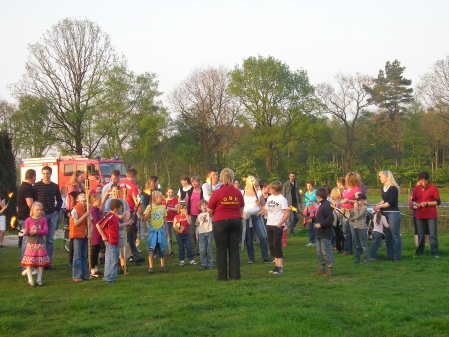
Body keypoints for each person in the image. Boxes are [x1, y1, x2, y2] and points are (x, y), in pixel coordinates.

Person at [207, 168, 244, 281]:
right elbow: (242, 208)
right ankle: (235, 275)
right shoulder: (237, 192)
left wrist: (215, 214)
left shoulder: (217, 193)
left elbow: (209, 209)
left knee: (221, 250)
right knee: (234, 249)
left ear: (221, 178)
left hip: (221, 221)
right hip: (236, 221)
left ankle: (222, 276)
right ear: (232, 178)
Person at [33, 166, 62, 269]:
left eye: (47, 173)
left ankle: (48, 262)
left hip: (51, 215)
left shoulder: (54, 186)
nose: (46, 175)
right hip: (40, 216)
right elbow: (33, 200)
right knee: (39, 239)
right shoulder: (36, 186)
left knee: (50, 239)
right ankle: (38, 261)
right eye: (44, 173)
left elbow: (59, 199)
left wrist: (56, 210)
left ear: (50, 174)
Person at [259, 180, 289, 275]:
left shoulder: (282, 199)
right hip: (269, 224)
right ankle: (276, 265)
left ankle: (281, 266)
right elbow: (267, 212)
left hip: (277, 225)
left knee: (277, 245)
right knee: (271, 245)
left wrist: (280, 224)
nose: (269, 189)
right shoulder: (270, 198)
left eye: (271, 188)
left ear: (276, 189)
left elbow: (287, 213)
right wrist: (259, 206)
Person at [242, 175, 272, 264]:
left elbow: (264, 206)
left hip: (256, 216)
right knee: (249, 238)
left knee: (263, 236)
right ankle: (251, 258)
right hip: (246, 217)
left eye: (254, 181)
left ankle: (265, 256)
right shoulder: (242, 192)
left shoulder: (258, 193)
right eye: (252, 181)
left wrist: (260, 211)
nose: (254, 183)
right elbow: (240, 205)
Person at [373, 170, 402, 261]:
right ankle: (390, 255)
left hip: (393, 213)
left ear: (387, 177)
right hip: (385, 213)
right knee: (387, 235)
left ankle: (397, 255)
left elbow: (391, 202)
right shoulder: (384, 188)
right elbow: (384, 199)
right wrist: (377, 205)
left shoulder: (393, 188)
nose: (380, 178)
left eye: (381, 177)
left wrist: (380, 206)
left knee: (395, 235)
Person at [118, 168, 145, 266]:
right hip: (129, 211)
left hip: (119, 211)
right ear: (135, 176)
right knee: (131, 235)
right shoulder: (133, 187)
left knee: (125, 235)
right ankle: (132, 256)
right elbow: (137, 201)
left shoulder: (120, 184)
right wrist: (142, 212)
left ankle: (133, 255)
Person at [411, 171, 441, 258]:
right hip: (420, 214)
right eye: (422, 181)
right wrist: (417, 205)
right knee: (420, 234)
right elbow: (413, 201)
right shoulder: (417, 188)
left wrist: (427, 203)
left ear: (428, 180)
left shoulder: (433, 188)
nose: (423, 183)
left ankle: (435, 252)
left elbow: (438, 202)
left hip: (431, 214)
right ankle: (419, 252)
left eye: (425, 181)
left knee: (432, 234)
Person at [21, 202, 51, 287]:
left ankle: (39, 280)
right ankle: (30, 280)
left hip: (40, 244)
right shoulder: (28, 220)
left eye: (41, 210)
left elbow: (45, 231)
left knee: (40, 263)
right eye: (37, 210)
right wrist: (25, 232)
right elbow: (27, 232)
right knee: (29, 263)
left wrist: (36, 231)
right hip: (31, 244)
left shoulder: (43, 220)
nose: (39, 211)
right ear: (32, 210)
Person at [104, 184, 132, 273]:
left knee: (123, 247)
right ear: (111, 191)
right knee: (114, 249)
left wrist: (126, 218)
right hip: (113, 230)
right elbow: (108, 214)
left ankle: (123, 265)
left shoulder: (123, 201)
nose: (116, 192)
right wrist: (119, 216)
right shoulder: (109, 202)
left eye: (117, 190)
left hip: (121, 227)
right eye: (114, 190)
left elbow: (127, 211)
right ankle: (113, 267)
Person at [96, 199, 123, 283]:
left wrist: (128, 223)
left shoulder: (114, 217)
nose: (121, 209)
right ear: (116, 208)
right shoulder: (110, 216)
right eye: (120, 208)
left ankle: (108, 276)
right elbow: (98, 225)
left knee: (109, 260)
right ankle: (110, 278)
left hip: (114, 241)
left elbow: (117, 225)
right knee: (113, 260)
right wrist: (103, 236)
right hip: (111, 241)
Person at [144, 190, 168, 274]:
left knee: (162, 248)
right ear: (155, 198)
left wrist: (167, 231)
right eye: (160, 197)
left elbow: (165, 219)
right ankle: (151, 267)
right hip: (153, 231)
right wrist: (149, 211)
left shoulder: (163, 207)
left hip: (161, 230)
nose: (162, 198)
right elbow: (145, 219)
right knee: (151, 248)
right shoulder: (149, 207)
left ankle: (162, 266)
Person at [17, 169, 36, 270]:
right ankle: (25, 265)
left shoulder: (22, 186)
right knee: (26, 241)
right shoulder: (28, 188)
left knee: (26, 240)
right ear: (33, 176)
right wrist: (37, 212)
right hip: (26, 217)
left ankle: (27, 264)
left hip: (22, 216)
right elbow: (30, 203)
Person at [313, 187, 335, 276]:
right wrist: (312, 219)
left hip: (325, 232)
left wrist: (321, 224)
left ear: (318, 196)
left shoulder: (326, 205)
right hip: (319, 233)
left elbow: (330, 218)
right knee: (319, 251)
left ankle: (330, 269)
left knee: (326, 251)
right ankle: (322, 268)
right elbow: (320, 217)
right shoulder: (321, 205)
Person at [70, 193, 91, 282]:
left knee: (84, 255)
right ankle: (77, 275)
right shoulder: (75, 209)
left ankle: (85, 274)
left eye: (84, 195)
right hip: (77, 234)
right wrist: (85, 215)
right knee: (77, 255)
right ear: (78, 199)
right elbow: (76, 223)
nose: (84, 196)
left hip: (84, 235)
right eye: (81, 196)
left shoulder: (86, 208)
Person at [67, 170, 85, 267]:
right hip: (73, 209)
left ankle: (80, 256)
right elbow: (76, 196)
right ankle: (71, 259)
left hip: (81, 210)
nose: (83, 178)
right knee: (73, 236)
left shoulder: (81, 186)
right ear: (76, 177)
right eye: (81, 177)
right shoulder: (71, 186)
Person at [341, 172, 362, 256]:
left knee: (353, 231)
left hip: (352, 211)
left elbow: (359, 200)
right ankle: (347, 249)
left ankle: (357, 249)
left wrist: (349, 201)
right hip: (345, 211)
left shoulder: (357, 189)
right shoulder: (346, 188)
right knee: (346, 231)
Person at [185, 176, 203, 255]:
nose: (194, 183)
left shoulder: (202, 192)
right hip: (191, 214)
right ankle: (192, 249)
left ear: (199, 182)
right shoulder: (189, 192)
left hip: (200, 214)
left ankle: (200, 249)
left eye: (195, 182)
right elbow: (186, 203)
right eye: (192, 182)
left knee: (200, 232)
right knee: (191, 233)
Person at [349, 194, 369, 264]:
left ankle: (366, 260)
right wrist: (351, 219)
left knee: (364, 245)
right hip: (356, 227)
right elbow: (354, 217)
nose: (356, 202)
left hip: (362, 228)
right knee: (357, 245)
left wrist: (355, 208)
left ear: (363, 200)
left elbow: (357, 216)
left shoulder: (364, 208)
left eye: (358, 201)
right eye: (356, 200)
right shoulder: (358, 207)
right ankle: (356, 259)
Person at [196, 199, 214, 270]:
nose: (205, 206)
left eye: (206, 205)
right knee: (202, 249)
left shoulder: (209, 214)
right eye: (203, 205)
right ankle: (203, 264)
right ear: (200, 207)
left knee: (208, 249)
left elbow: (212, 213)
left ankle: (210, 264)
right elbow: (197, 226)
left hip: (209, 231)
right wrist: (196, 234)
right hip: (201, 233)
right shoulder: (199, 216)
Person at [162, 187, 178, 257]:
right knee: (169, 237)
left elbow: (177, 209)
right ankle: (170, 251)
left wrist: (169, 208)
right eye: (169, 192)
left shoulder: (176, 200)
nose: (171, 194)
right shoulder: (164, 201)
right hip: (167, 220)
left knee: (178, 235)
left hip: (175, 220)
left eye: (172, 192)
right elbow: (163, 211)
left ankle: (181, 249)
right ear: (166, 193)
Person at [89, 193, 103, 277]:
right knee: (94, 251)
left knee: (97, 249)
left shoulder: (97, 210)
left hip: (98, 231)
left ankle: (96, 268)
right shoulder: (92, 210)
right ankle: (92, 269)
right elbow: (97, 221)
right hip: (95, 231)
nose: (100, 202)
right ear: (93, 201)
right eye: (99, 201)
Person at [303, 180, 318, 247]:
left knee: (316, 225)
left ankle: (317, 240)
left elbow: (319, 201)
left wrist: (314, 203)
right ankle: (312, 241)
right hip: (308, 210)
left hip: (314, 210)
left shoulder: (316, 192)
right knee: (310, 227)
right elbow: (306, 202)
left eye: (310, 186)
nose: (308, 187)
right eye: (307, 186)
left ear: (312, 186)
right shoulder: (306, 193)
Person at [330, 187, 344, 254]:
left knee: (342, 234)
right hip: (335, 220)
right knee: (337, 234)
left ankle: (344, 247)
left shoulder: (342, 200)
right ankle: (338, 248)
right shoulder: (332, 201)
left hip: (342, 219)